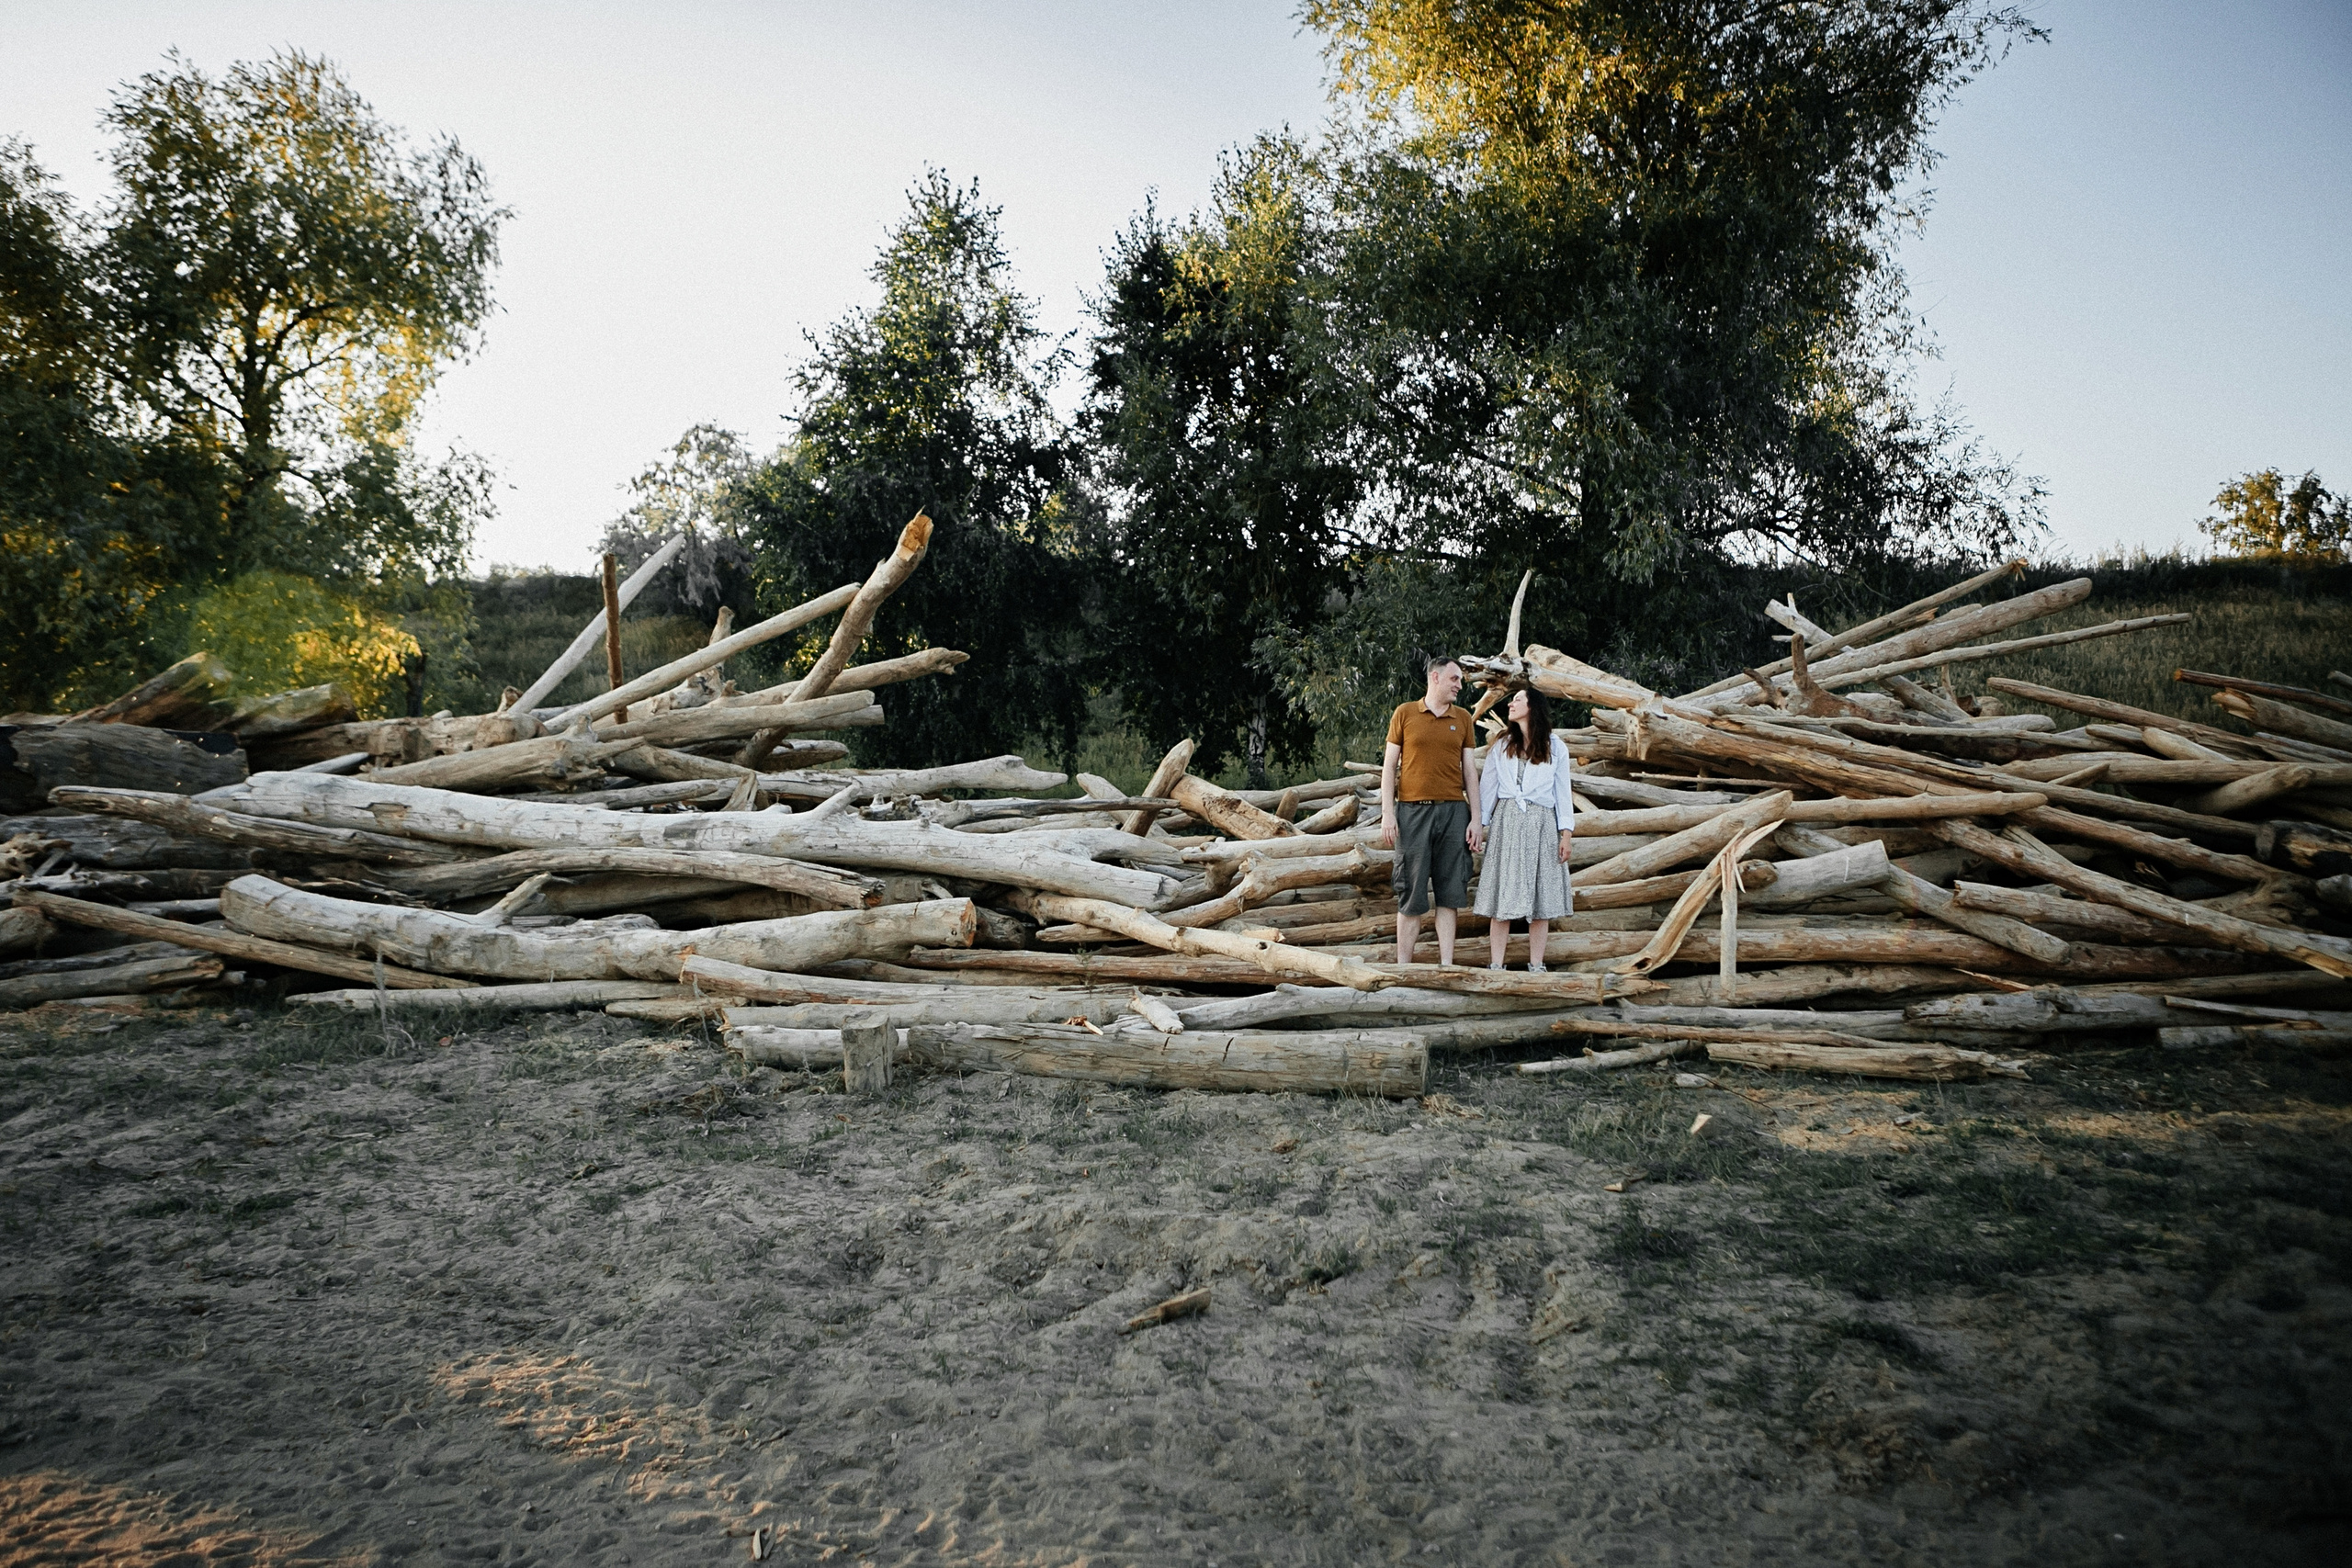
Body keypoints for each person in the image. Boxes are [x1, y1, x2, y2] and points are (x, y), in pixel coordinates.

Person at [1380, 655, 1484, 964]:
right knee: (1410, 892)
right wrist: (1388, 812)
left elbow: (1470, 772)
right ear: (1435, 677)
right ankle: (1403, 969)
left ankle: (1446, 966)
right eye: (1454, 678)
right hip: (1412, 813)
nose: (1459, 685)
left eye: (1460, 680)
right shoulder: (1405, 713)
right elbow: (1389, 768)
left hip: (1454, 814)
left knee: (1450, 893)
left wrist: (1476, 819)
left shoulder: (1463, 718)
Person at [1474, 686, 1574, 970]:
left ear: (1532, 707)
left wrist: (1566, 834)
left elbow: (1562, 792)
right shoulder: (1502, 745)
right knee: (1502, 892)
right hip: (1507, 822)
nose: (1511, 704)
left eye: (1518, 700)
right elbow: (1487, 788)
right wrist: (1480, 825)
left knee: (1541, 895)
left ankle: (1536, 965)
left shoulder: (1555, 747)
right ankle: (1496, 965)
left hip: (1541, 823)